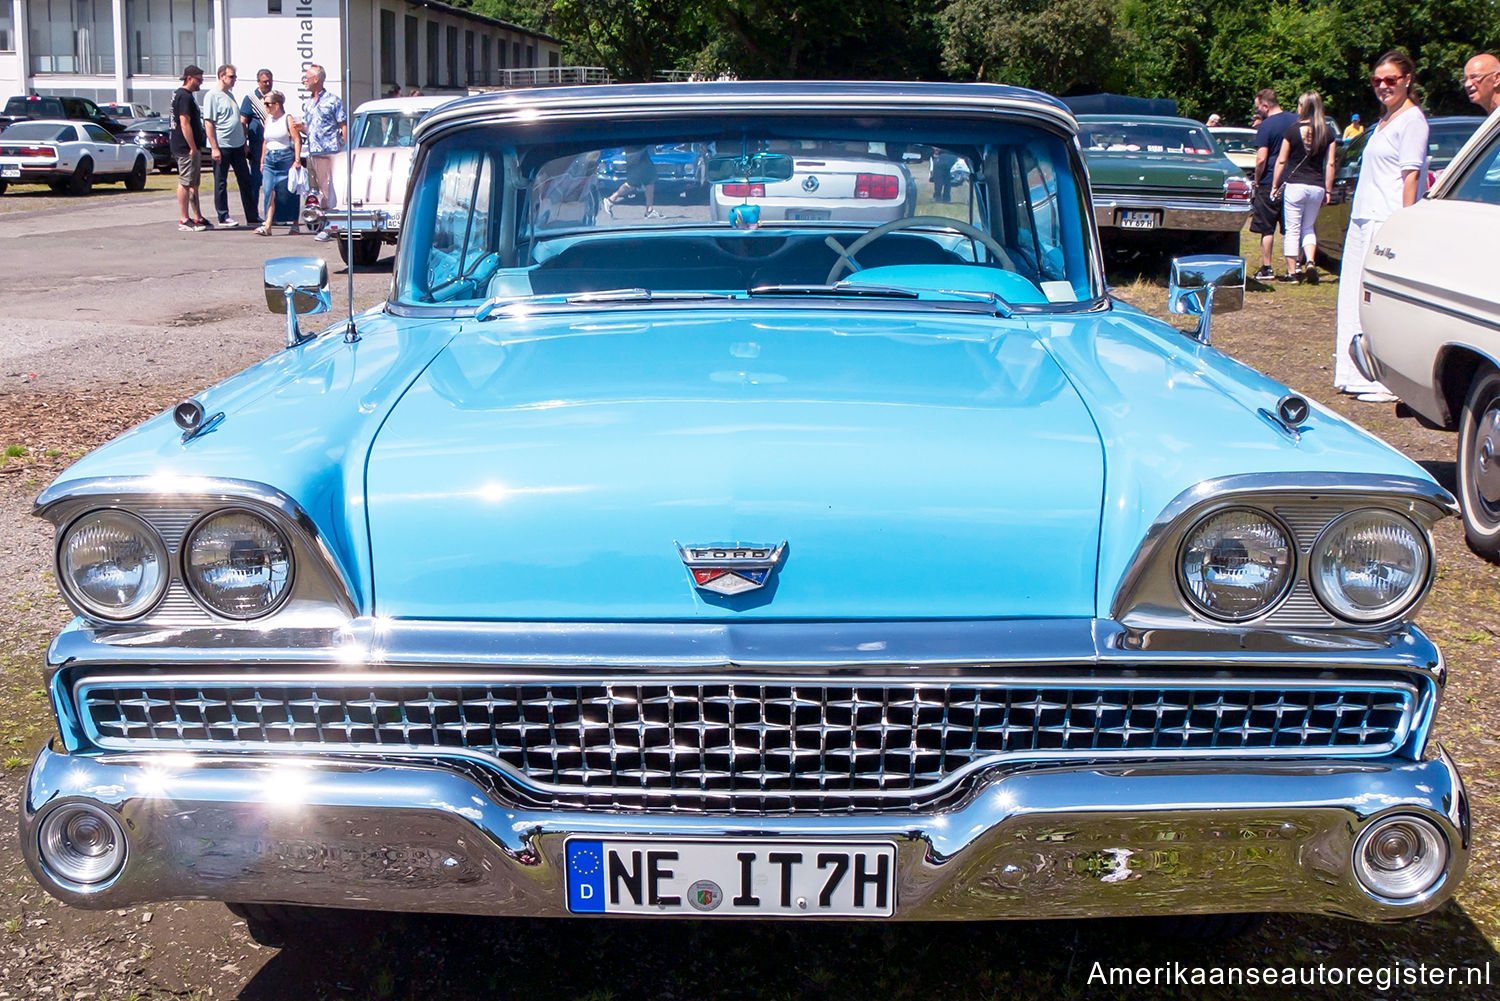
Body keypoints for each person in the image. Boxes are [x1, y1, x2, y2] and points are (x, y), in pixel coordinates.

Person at [1334, 50, 1429, 403]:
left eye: (1391, 79)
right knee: (1353, 298)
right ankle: (1355, 374)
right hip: (1363, 216)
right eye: (1377, 81)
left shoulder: (1412, 120)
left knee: (1379, 303)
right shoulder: (1384, 121)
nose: (1383, 86)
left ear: (1407, 80)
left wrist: (1405, 227)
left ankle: (1387, 381)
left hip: (1385, 220)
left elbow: (1411, 177)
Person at [1271, 91, 1337, 283]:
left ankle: (1293, 272)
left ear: (1304, 107)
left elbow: (1282, 161)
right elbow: (1330, 164)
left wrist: (1275, 185)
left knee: (1292, 229)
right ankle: (1310, 261)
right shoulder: (1327, 132)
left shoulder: (1292, 131)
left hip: (1295, 185)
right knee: (1308, 227)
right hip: (1316, 186)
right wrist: (1328, 190)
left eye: (1299, 105)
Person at [294, 63, 346, 242]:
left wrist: (347, 150)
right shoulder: (308, 103)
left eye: (307, 78)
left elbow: (342, 125)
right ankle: (321, 221)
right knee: (316, 190)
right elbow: (311, 127)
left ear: (317, 79)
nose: (305, 81)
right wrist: (301, 128)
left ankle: (331, 225)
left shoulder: (333, 100)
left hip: (330, 151)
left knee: (330, 189)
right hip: (313, 151)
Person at [1249, 88, 1297, 281]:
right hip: (1294, 179)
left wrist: (1257, 179)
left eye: (1258, 107)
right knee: (1292, 227)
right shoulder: (1296, 120)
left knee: (1266, 227)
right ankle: (1294, 267)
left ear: (1265, 105)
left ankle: (1267, 267)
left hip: (1269, 180)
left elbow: (1261, 158)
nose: (1257, 110)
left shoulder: (1266, 126)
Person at [203, 64, 259, 228]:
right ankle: (223, 215)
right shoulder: (212, 96)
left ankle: (252, 215)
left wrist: (244, 142)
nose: (235, 80)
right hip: (222, 144)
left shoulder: (230, 95)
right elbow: (209, 123)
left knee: (245, 180)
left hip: (237, 145)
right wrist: (214, 147)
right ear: (222, 76)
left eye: (235, 76)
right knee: (221, 181)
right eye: (232, 76)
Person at [253, 91, 302, 236]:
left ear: (277, 104)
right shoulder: (268, 119)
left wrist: (297, 160)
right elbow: (265, 141)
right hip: (269, 159)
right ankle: (267, 224)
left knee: (288, 192)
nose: (266, 107)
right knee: (268, 191)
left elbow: (296, 139)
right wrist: (262, 161)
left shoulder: (287, 119)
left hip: (285, 157)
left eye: (268, 104)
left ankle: (294, 223)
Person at [169, 65, 210, 232]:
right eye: (198, 80)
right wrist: (192, 147)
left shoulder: (185, 95)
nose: (200, 83)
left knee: (193, 182)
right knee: (185, 182)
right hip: (185, 146)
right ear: (189, 78)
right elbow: (184, 123)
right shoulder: (183, 96)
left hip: (189, 146)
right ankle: (184, 219)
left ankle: (197, 216)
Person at [240, 69, 274, 209]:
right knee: (255, 179)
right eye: (264, 81)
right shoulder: (251, 98)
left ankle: (273, 213)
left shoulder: (275, 97)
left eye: (269, 81)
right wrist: (244, 143)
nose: (268, 84)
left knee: (272, 181)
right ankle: (252, 212)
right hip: (256, 145)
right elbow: (243, 121)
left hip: (273, 144)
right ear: (258, 82)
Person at [600, 146, 660, 218]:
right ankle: (611, 200)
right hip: (635, 154)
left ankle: (649, 210)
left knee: (650, 179)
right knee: (632, 183)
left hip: (642, 152)